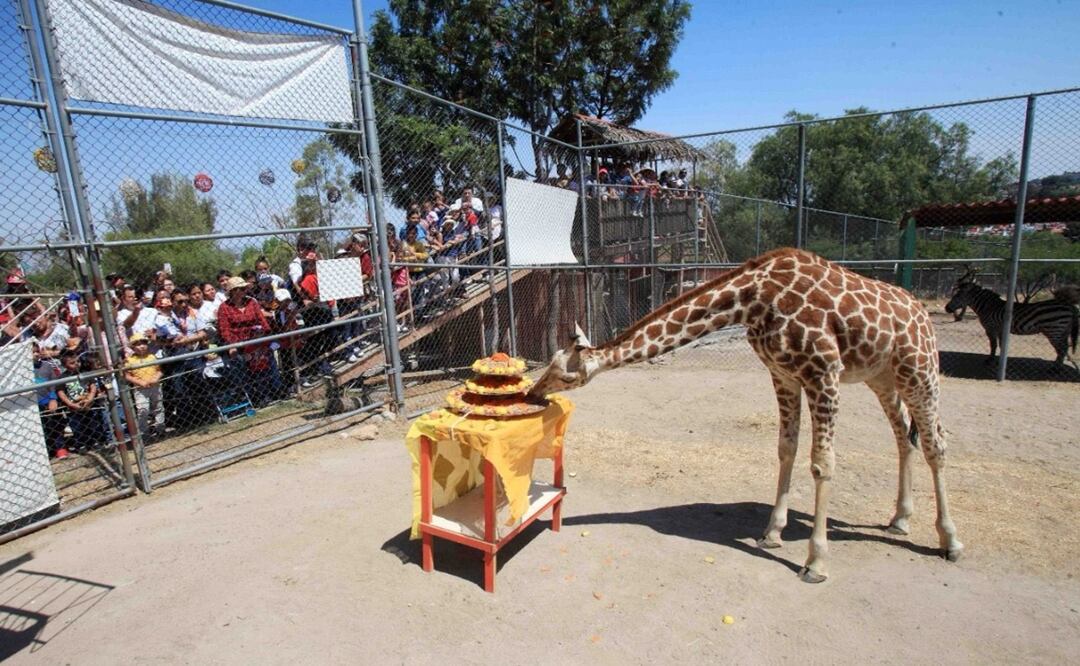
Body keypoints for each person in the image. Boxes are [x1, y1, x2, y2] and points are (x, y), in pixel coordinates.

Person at [217, 276, 281, 406]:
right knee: (245, 367)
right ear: (232, 291)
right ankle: (257, 397)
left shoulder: (252, 302)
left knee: (269, 361)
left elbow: (261, 320)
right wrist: (231, 346)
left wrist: (267, 335)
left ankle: (275, 392)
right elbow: (225, 329)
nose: (242, 291)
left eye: (243, 288)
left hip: (257, 340)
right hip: (239, 343)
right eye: (239, 289)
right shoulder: (224, 307)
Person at [56, 348, 109, 452]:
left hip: (89, 403)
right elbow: (61, 392)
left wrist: (90, 397)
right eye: (72, 363)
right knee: (77, 426)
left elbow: (92, 385)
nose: (76, 364)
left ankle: (96, 441)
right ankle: (81, 444)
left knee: (94, 423)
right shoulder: (63, 377)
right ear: (64, 365)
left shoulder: (84, 373)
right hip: (74, 407)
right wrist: (70, 403)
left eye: (78, 361)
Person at [123, 333, 164, 440]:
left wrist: (156, 378)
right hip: (140, 388)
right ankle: (144, 432)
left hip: (155, 386)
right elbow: (127, 375)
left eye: (144, 343)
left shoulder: (151, 357)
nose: (141, 346)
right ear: (132, 347)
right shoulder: (130, 360)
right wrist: (139, 382)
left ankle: (160, 428)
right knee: (143, 410)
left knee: (158, 407)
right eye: (137, 344)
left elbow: (159, 371)